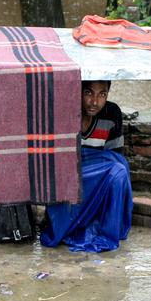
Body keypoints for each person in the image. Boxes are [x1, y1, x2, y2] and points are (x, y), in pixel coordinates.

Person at [40, 80, 134, 252]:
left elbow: (115, 157)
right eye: (89, 93)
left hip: (100, 176)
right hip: (69, 172)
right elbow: (54, 160)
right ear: (78, 92)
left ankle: (106, 227)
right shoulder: (65, 111)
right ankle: (64, 223)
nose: (95, 102)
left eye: (102, 94)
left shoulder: (112, 113)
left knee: (120, 170)